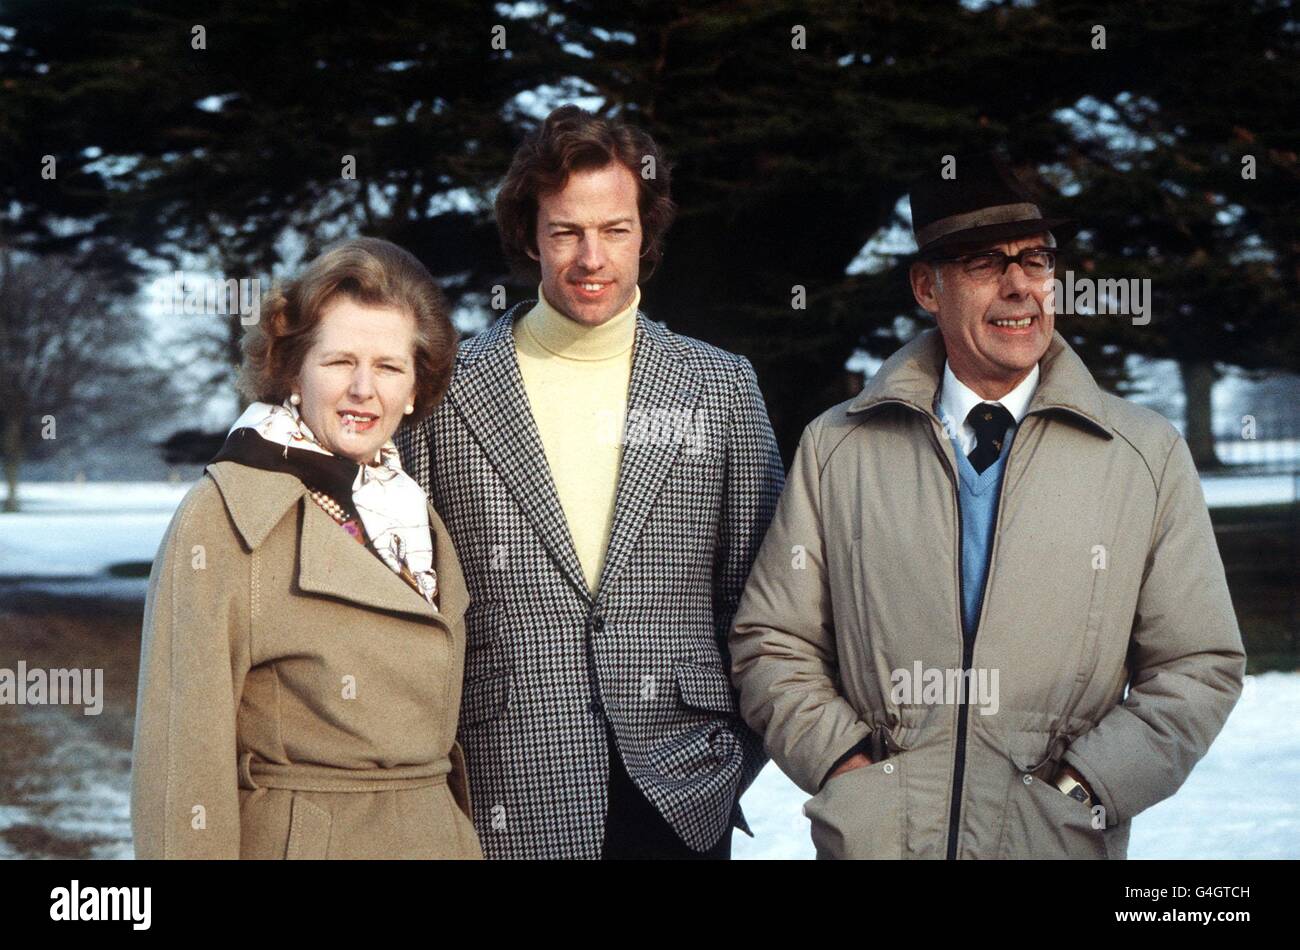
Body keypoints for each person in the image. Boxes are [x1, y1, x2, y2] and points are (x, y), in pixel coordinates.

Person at [730, 152, 1245, 859]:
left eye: (1035, 261)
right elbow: (772, 640)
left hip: (1052, 843)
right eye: (983, 264)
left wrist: (1083, 788)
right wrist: (847, 769)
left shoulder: (1144, 456)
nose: (1019, 288)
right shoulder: (837, 447)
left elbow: (1198, 663)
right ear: (926, 287)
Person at [396, 105, 784, 859]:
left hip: (682, 788)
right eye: (565, 231)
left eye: (615, 230)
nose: (591, 259)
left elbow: (763, 595)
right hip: (506, 786)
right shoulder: (446, 390)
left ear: (647, 234)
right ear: (529, 237)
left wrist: (730, 757)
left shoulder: (721, 387)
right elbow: (412, 599)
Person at [131, 237, 482, 859]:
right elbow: (181, 759)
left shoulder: (406, 507)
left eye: (390, 367)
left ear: (415, 387)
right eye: (339, 361)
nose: (363, 390)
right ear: (292, 369)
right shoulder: (224, 515)